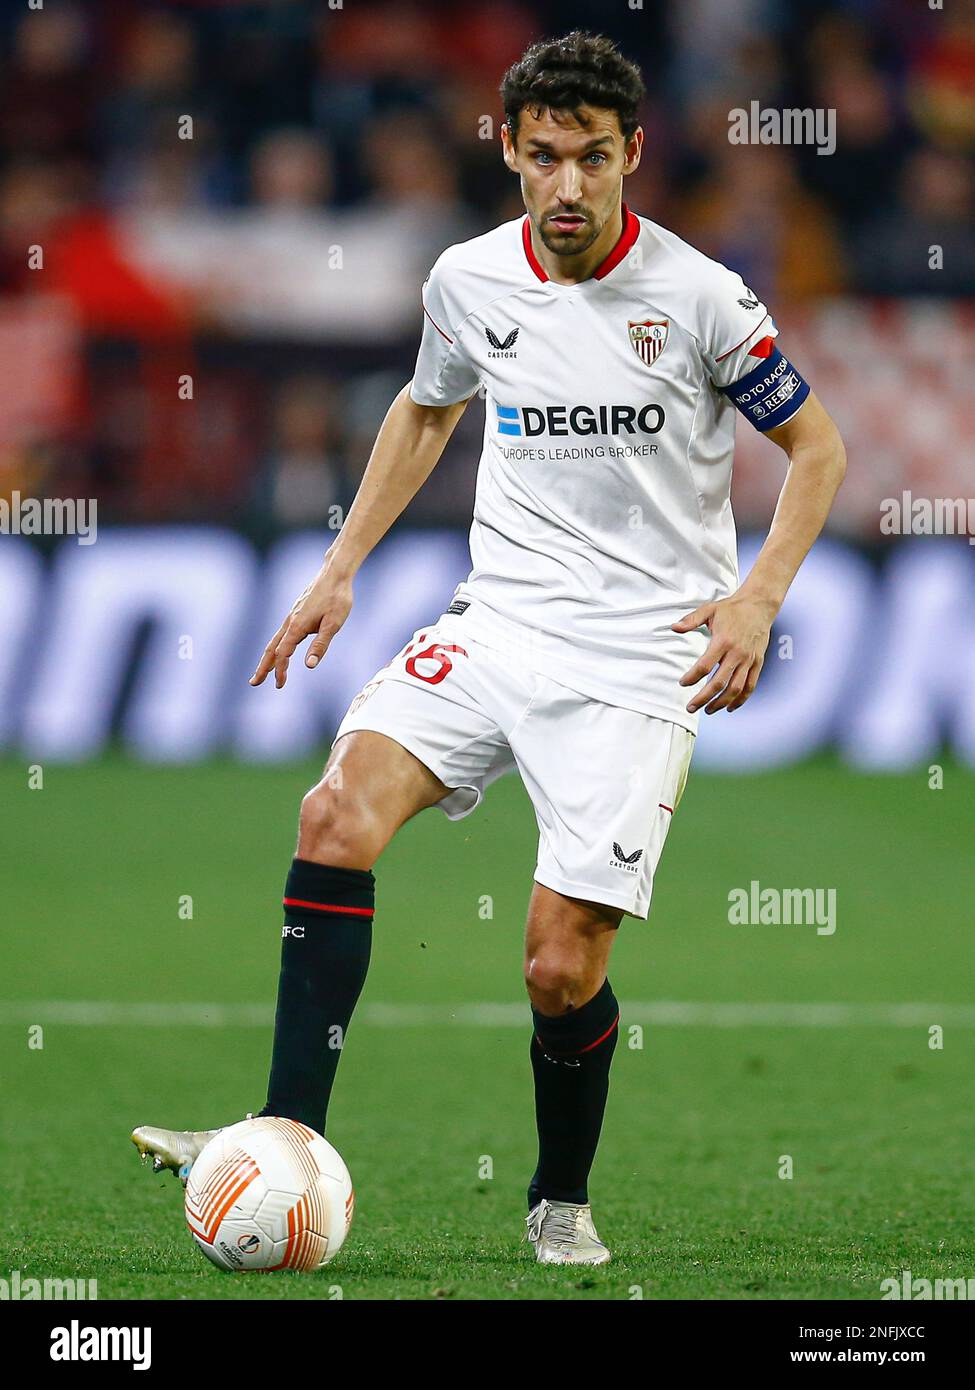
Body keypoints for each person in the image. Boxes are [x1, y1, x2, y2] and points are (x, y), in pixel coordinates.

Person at [133, 30, 846, 1267]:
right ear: (509, 152)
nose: (567, 186)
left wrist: (758, 597)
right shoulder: (468, 279)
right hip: (497, 620)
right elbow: (427, 404)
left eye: (592, 159)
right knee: (332, 815)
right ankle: (285, 1133)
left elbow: (819, 450)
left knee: (558, 970)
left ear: (635, 154)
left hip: (636, 658)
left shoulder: (702, 299)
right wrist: (340, 565)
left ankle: (560, 1199)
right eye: (543, 157)